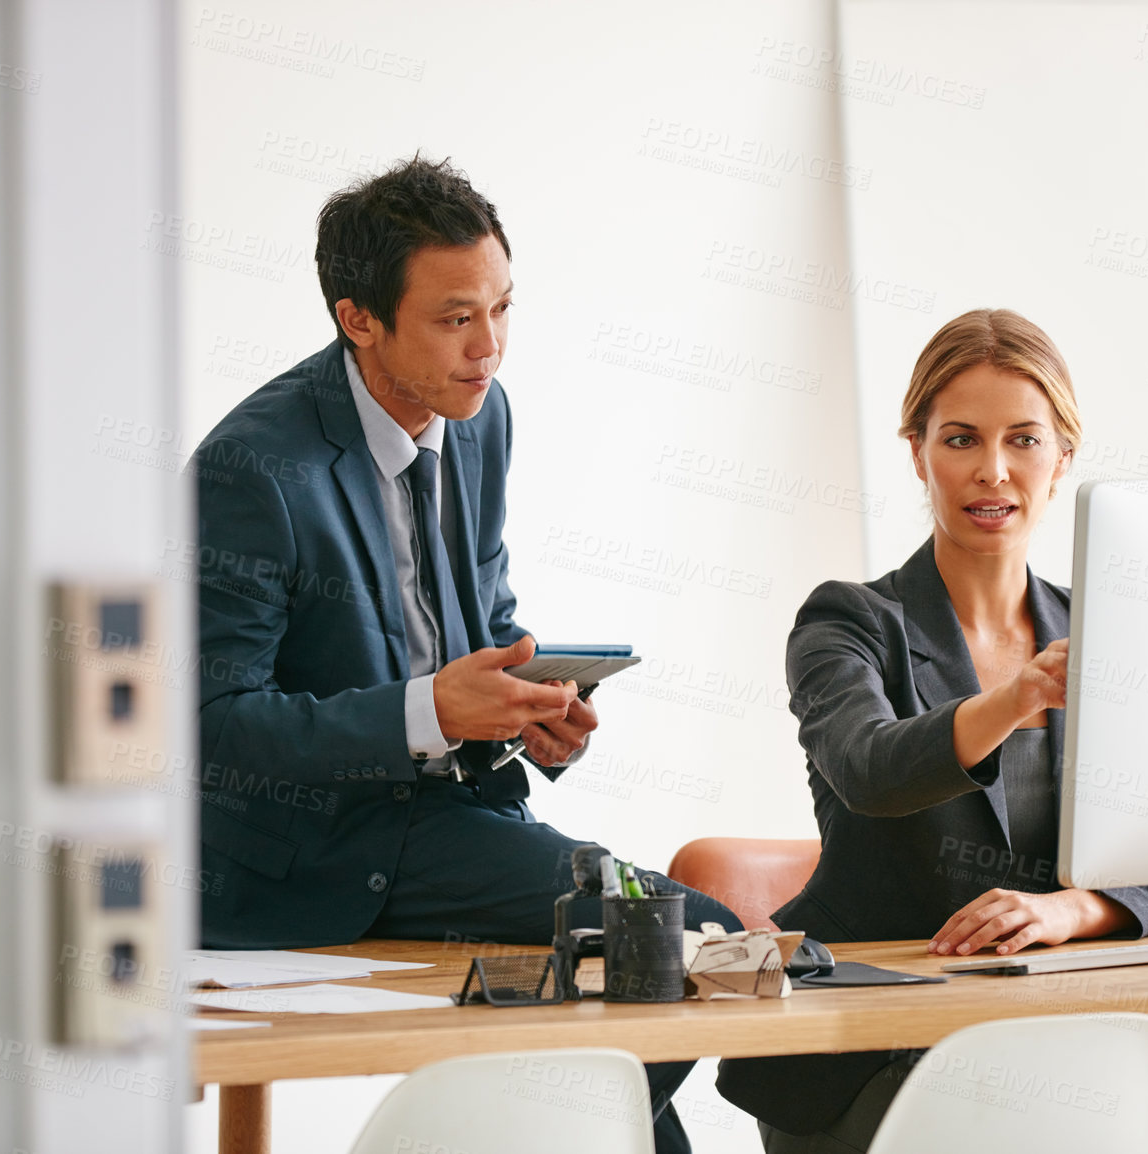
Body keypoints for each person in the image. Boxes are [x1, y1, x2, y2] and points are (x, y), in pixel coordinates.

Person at [190, 156, 739, 1153]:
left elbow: (484, 616)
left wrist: (533, 709)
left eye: (501, 308)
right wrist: (429, 712)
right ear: (360, 319)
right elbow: (211, 723)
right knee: (681, 933)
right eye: (454, 318)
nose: (487, 348)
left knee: (680, 946)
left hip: (456, 810)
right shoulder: (252, 469)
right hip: (321, 845)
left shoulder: (479, 419)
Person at [716, 308, 1148, 1152]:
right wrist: (1017, 697)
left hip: (1040, 1039)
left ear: (1062, 461)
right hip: (865, 1052)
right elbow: (870, 769)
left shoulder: (1107, 630)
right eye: (960, 440)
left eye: (1024, 440)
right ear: (917, 453)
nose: (993, 471)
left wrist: (1074, 911)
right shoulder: (848, 621)